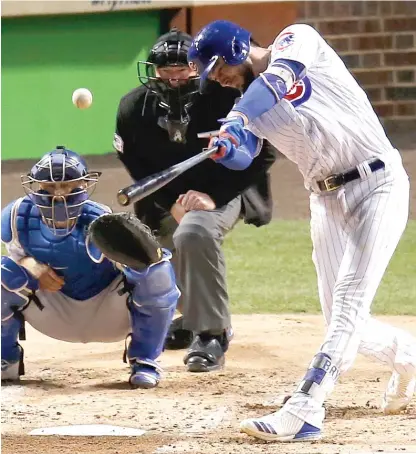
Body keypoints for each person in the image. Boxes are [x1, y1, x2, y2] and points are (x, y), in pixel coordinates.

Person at [188, 20, 416, 441]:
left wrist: (237, 118)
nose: (216, 76)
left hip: (378, 184)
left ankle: (306, 407)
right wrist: (227, 147)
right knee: (341, 320)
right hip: (325, 201)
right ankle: (409, 357)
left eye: (218, 64)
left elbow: (276, 83)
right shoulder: (248, 105)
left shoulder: (296, 41)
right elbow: (248, 157)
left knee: (349, 300)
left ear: (239, 46)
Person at [113, 28, 276, 372]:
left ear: (199, 67)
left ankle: (212, 334)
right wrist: (172, 200)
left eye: (182, 70)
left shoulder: (228, 96)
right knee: (156, 242)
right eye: (164, 71)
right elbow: (137, 165)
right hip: (169, 195)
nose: (173, 79)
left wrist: (212, 195)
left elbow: (263, 155)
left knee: (194, 233)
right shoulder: (132, 108)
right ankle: (189, 321)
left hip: (227, 187)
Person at [1, 146, 179, 389]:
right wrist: (32, 265)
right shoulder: (16, 216)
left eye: (68, 185)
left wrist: (145, 260)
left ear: (83, 186)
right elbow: (14, 257)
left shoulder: (101, 222)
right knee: (4, 273)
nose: (59, 194)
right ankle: (5, 360)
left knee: (158, 273)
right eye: (50, 187)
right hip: (54, 311)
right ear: (36, 186)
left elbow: (136, 273)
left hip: (106, 311)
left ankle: (145, 360)